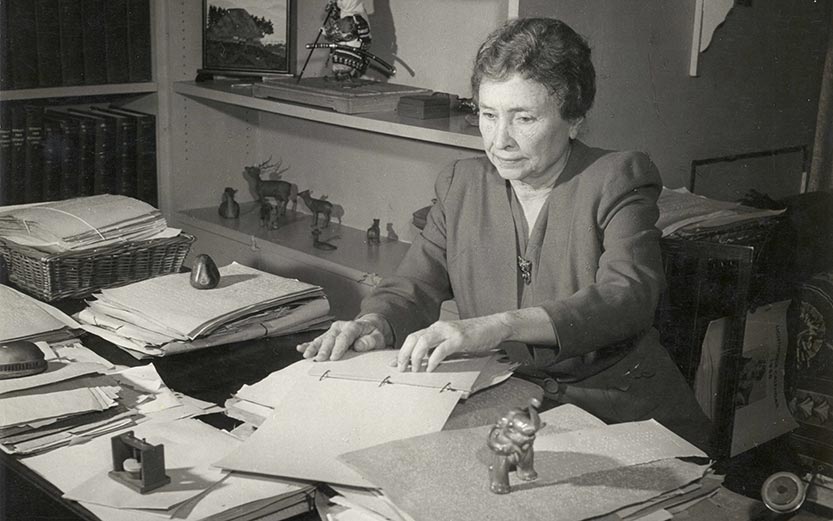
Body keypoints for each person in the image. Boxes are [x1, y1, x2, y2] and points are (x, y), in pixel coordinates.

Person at [297, 17, 712, 453]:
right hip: (511, 404)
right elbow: (413, 285)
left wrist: (495, 327)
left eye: (524, 118)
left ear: (575, 119)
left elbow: (627, 296)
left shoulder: (618, 176)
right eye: (488, 115)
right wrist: (374, 322)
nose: (500, 141)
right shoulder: (461, 184)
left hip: (619, 413)